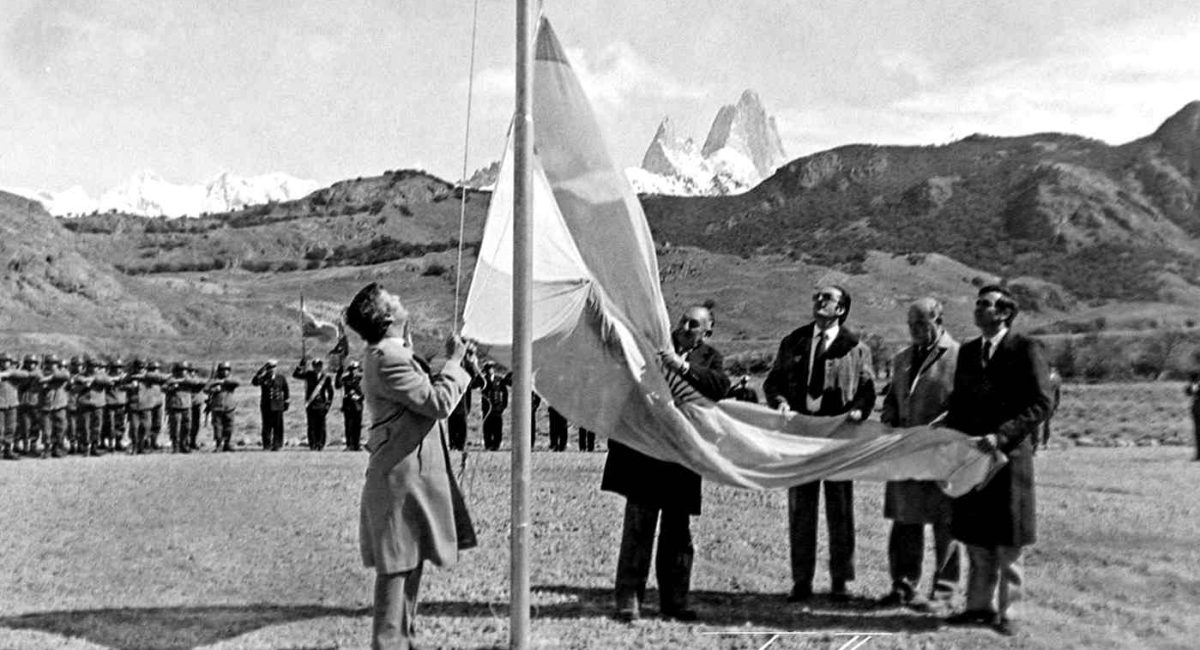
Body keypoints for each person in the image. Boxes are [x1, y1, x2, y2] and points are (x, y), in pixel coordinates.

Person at [344, 282, 477, 650]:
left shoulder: (392, 353)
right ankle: (390, 643)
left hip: (408, 474)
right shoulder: (388, 357)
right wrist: (453, 363)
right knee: (398, 563)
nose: (402, 300)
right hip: (400, 476)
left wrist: (455, 364)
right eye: (394, 300)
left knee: (409, 558)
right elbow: (437, 403)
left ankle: (403, 639)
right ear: (386, 317)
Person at [601, 304, 731, 622]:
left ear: (707, 331)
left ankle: (674, 601)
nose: (686, 327)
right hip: (644, 451)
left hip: (680, 455)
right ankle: (628, 600)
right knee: (638, 527)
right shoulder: (654, 344)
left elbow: (719, 387)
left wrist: (682, 368)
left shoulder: (710, 358)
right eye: (684, 321)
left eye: (695, 324)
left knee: (677, 531)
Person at [941, 285, 1053, 637]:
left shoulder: (1025, 349)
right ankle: (977, 606)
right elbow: (960, 402)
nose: (978, 309)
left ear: (1004, 313)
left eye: (985, 305)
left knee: (1008, 537)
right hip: (975, 456)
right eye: (977, 303)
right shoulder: (969, 351)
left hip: (1009, 457)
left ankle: (1010, 612)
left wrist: (1002, 436)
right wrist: (947, 432)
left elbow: (1041, 403)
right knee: (976, 534)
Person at [763, 284, 875, 603]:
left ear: (841, 309)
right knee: (801, 509)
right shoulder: (793, 341)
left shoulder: (855, 347)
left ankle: (840, 581)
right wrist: (780, 403)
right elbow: (773, 383)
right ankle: (801, 580)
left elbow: (868, 389)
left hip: (839, 437)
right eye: (816, 297)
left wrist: (858, 411)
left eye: (826, 298)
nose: (818, 301)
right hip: (801, 435)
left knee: (840, 510)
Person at [878, 298, 961, 612]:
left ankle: (943, 594)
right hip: (906, 455)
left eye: (921, 324)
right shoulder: (902, 359)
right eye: (910, 325)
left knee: (946, 526)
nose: (914, 331)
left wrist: (936, 429)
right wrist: (888, 416)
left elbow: (965, 406)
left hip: (943, 455)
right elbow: (892, 399)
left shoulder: (959, 357)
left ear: (938, 321)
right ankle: (903, 586)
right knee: (905, 522)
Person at [293, 357, 335, 450]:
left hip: (321, 405)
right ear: (313, 366)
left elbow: (330, 392)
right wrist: (300, 366)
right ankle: (313, 444)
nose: (317, 368)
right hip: (311, 404)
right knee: (311, 426)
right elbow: (295, 375)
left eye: (319, 366)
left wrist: (328, 404)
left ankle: (320, 444)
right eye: (315, 366)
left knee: (321, 426)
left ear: (321, 366)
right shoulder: (309, 374)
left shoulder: (326, 378)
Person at [446, 354, 483, 451]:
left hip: (463, 407)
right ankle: (453, 447)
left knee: (461, 430)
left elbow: (481, 383)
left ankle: (460, 447)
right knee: (452, 429)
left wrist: (475, 366)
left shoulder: (468, 372)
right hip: (452, 406)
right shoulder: (449, 368)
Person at [38, 354, 72, 458]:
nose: (52, 365)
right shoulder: (41, 373)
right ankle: (47, 448)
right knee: (47, 429)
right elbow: (39, 380)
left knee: (61, 427)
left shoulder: (62, 372)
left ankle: (57, 447)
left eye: (54, 363)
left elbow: (66, 376)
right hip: (46, 406)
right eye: (50, 363)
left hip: (60, 405)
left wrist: (50, 378)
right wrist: (52, 380)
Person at [252, 360, 289, 451]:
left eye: (273, 368)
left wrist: (286, 402)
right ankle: (267, 445)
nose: (271, 370)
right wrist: (260, 372)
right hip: (266, 405)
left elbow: (286, 390)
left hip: (278, 405)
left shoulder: (281, 378)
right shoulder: (263, 378)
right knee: (266, 426)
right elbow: (254, 382)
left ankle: (277, 445)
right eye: (269, 368)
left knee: (278, 426)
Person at [205, 361, 239, 452]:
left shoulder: (231, 380)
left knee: (229, 426)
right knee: (218, 427)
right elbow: (206, 389)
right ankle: (219, 444)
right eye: (223, 370)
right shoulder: (213, 380)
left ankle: (227, 444)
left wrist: (222, 382)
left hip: (229, 406)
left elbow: (236, 382)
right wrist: (214, 389)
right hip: (217, 407)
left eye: (227, 370)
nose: (225, 372)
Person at [76, 358, 107, 457]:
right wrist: (86, 384)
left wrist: (93, 380)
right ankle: (86, 447)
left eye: (96, 366)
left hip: (98, 404)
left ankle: (95, 446)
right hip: (85, 404)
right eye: (92, 366)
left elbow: (109, 381)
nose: (94, 368)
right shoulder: (81, 375)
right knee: (85, 427)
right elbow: (77, 382)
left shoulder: (102, 375)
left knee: (97, 426)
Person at [336, 360, 365, 451]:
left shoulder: (362, 379)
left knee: (357, 425)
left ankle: (357, 444)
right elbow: (338, 385)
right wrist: (338, 374)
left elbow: (366, 391)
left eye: (355, 369)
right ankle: (349, 444)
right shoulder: (346, 378)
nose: (353, 371)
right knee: (348, 425)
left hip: (357, 404)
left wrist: (359, 396)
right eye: (352, 369)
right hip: (348, 405)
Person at [479, 363, 508, 451]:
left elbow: (505, 393)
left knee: (497, 427)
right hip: (487, 408)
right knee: (487, 427)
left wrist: (503, 405)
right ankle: (488, 444)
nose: (489, 371)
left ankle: (496, 444)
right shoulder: (483, 380)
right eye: (488, 369)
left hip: (497, 408)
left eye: (491, 369)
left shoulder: (499, 380)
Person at [103, 358, 129, 452]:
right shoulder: (106, 376)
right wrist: (116, 379)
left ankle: (118, 442)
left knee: (120, 425)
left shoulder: (124, 377)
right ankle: (110, 444)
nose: (118, 369)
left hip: (121, 404)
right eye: (116, 367)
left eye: (120, 367)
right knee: (110, 424)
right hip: (110, 404)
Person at [1036, 365, 1063, 453]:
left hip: (1048, 404)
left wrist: (1056, 404)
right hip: (1043, 403)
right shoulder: (1042, 377)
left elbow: (1057, 393)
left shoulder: (1055, 379)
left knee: (1046, 424)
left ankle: (1044, 443)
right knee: (1039, 424)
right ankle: (1037, 443)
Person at [0, 353, 21, 460]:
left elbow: (25, 374)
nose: (5, 363)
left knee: (11, 428)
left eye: (7, 361)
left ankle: (8, 449)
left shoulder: (14, 373)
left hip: (12, 404)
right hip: (0, 405)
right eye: (3, 361)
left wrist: (6, 374)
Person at [1188, 373, 1200, 461]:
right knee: (1197, 433)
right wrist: (1194, 386)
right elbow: (1187, 392)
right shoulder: (1195, 385)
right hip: (1196, 410)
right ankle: (1198, 454)